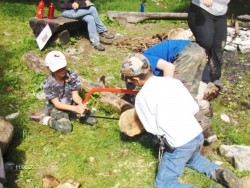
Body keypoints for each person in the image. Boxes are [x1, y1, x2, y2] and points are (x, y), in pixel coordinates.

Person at [120, 53, 241, 188]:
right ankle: (219, 172)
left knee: (163, 184)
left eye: (129, 80)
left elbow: (151, 128)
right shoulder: (173, 82)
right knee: (193, 160)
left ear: (136, 79)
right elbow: (194, 108)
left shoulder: (142, 98)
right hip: (197, 135)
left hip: (180, 144)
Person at [29, 51, 96, 134]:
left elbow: (75, 95)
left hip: (71, 104)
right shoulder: (48, 83)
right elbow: (57, 104)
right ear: (50, 69)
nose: (62, 71)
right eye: (58, 69)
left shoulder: (72, 76)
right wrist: (75, 109)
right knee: (65, 128)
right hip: (57, 108)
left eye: (63, 67)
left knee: (93, 119)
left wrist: (81, 104)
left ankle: (69, 115)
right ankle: (45, 119)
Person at [188, 0, 230, 88]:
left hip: (220, 13)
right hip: (202, 11)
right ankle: (196, 75)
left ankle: (214, 77)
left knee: (219, 45)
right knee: (206, 42)